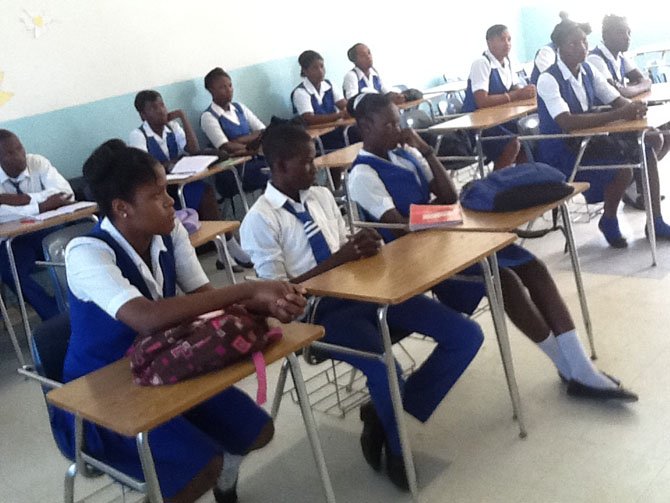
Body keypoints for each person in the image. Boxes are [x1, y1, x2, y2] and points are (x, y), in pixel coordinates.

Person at [346, 92, 638, 403]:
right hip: (419, 263)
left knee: (533, 268)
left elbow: (448, 197)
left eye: (399, 122)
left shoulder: (405, 156)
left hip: (449, 241)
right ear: (365, 127)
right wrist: (439, 214)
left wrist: (427, 151)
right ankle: (573, 369)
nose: (399, 130)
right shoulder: (363, 174)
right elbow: (400, 225)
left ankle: (577, 367)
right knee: (505, 280)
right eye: (389, 125)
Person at [58, 139, 307, 503]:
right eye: (158, 195)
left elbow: (204, 299)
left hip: (167, 366)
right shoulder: (86, 252)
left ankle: (221, 480)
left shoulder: (170, 232)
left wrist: (264, 305)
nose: (171, 201)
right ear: (122, 208)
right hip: (103, 395)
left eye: (168, 190)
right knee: (198, 468)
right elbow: (146, 318)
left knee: (258, 432)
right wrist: (247, 290)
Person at [240, 123, 483, 491]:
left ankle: (383, 414)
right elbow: (278, 296)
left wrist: (362, 245)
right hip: (317, 315)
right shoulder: (260, 219)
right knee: (385, 366)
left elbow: (343, 250)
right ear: (280, 165)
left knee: (466, 334)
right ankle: (399, 452)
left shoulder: (319, 195)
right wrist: (339, 259)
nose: (315, 169)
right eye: (306, 163)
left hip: (364, 293)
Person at [536, 18, 670, 247]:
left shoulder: (587, 70)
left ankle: (655, 220)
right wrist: (619, 114)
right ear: (559, 48)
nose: (582, 48)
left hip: (589, 141)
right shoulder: (548, 79)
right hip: (563, 149)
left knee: (644, 150)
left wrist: (631, 107)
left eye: (584, 42)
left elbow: (615, 99)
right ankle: (608, 219)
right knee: (624, 169)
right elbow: (567, 123)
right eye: (573, 43)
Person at [129, 89, 252, 269]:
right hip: (161, 192)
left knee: (207, 193)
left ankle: (226, 250)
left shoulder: (173, 128)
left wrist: (182, 117)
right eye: (154, 108)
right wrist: (170, 163)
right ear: (143, 115)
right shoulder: (138, 135)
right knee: (204, 193)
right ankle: (226, 251)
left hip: (181, 183)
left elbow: (193, 149)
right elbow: (144, 168)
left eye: (162, 105)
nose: (161, 110)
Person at [586, 14, 669, 209]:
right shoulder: (596, 59)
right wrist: (630, 89)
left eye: (629, 32)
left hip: (624, 116)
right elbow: (616, 92)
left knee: (667, 131)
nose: (627, 37)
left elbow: (645, 81)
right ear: (606, 35)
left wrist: (629, 90)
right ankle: (634, 188)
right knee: (654, 138)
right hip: (608, 124)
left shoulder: (621, 57)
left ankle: (635, 186)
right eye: (621, 32)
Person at [0, 129, 73, 320]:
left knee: (74, 252)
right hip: (15, 241)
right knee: (11, 272)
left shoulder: (38, 162)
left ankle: (78, 307)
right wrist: (42, 205)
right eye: (9, 153)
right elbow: (1, 214)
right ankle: (55, 316)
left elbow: (66, 193)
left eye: (19, 147)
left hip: (48, 231)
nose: (19, 155)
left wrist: (20, 201)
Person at [461, 24, 536, 169]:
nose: (507, 44)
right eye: (502, 40)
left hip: (500, 119)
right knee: (512, 144)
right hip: (479, 124)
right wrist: (516, 95)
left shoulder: (507, 62)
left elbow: (514, 87)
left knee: (528, 136)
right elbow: (481, 100)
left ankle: (519, 181)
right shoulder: (482, 63)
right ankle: (496, 183)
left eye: (509, 39)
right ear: (489, 42)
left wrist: (526, 91)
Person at [200, 67, 269, 201]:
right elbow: (225, 147)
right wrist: (253, 143)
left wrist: (238, 140)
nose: (229, 90)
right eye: (222, 87)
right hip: (233, 170)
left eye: (230, 85)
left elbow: (263, 131)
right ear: (211, 91)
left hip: (254, 159)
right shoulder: (208, 117)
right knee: (274, 174)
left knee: (283, 168)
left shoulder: (239, 108)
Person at [291, 50, 351, 150]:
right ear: (305, 71)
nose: (320, 71)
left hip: (336, 130)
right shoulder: (300, 92)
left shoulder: (329, 85)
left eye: (322, 66)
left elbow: (343, 105)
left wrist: (348, 110)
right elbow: (309, 119)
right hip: (318, 139)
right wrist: (338, 115)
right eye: (315, 68)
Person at [531, 12, 592, 85]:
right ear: (561, 43)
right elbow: (554, 77)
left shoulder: (587, 68)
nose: (582, 48)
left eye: (584, 40)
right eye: (572, 44)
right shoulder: (546, 52)